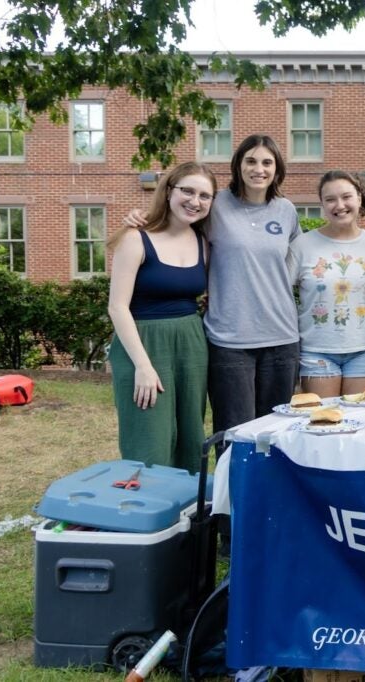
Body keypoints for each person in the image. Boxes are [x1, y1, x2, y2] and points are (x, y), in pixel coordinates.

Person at [123, 134, 302, 432]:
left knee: (275, 432)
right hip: (229, 340)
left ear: (277, 169)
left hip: (282, 338)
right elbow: (174, 223)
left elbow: (291, 265)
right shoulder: (215, 205)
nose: (259, 169)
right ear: (238, 165)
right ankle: (230, 482)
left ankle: (266, 482)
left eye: (267, 162)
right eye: (251, 161)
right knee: (234, 431)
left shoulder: (287, 211)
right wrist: (141, 216)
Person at [107, 162, 215, 472]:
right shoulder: (135, 238)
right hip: (143, 344)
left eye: (205, 196)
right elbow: (117, 307)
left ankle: (187, 516)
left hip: (192, 345)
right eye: (188, 191)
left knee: (191, 437)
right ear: (168, 191)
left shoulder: (204, 243)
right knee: (148, 439)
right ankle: (147, 512)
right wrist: (143, 366)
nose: (195, 201)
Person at [289, 170, 365, 398]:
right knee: (322, 424)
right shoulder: (302, 245)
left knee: (360, 423)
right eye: (330, 199)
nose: (339, 205)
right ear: (322, 204)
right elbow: (282, 295)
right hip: (317, 351)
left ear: (359, 198)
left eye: (346, 196)